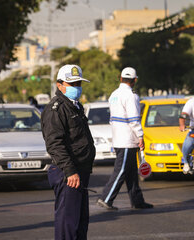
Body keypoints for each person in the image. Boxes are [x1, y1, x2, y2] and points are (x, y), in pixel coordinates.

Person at [41, 64, 96, 239]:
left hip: (80, 171)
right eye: (72, 84)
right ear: (59, 85)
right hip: (68, 174)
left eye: (79, 83)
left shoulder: (75, 106)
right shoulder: (56, 109)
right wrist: (70, 171)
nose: (77, 88)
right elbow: (54, 144)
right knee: (68, 223)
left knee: (80, 222)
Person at [96, 67, 153, 210]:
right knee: (121, 170)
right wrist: (140, 136)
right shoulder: (131, 96)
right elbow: (134, 119)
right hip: (128, 140)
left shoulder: (114, 94)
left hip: (119, 138)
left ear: (120, 78)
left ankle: (137, 200)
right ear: (135, 80)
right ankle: (106, 198)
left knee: (131, 173)